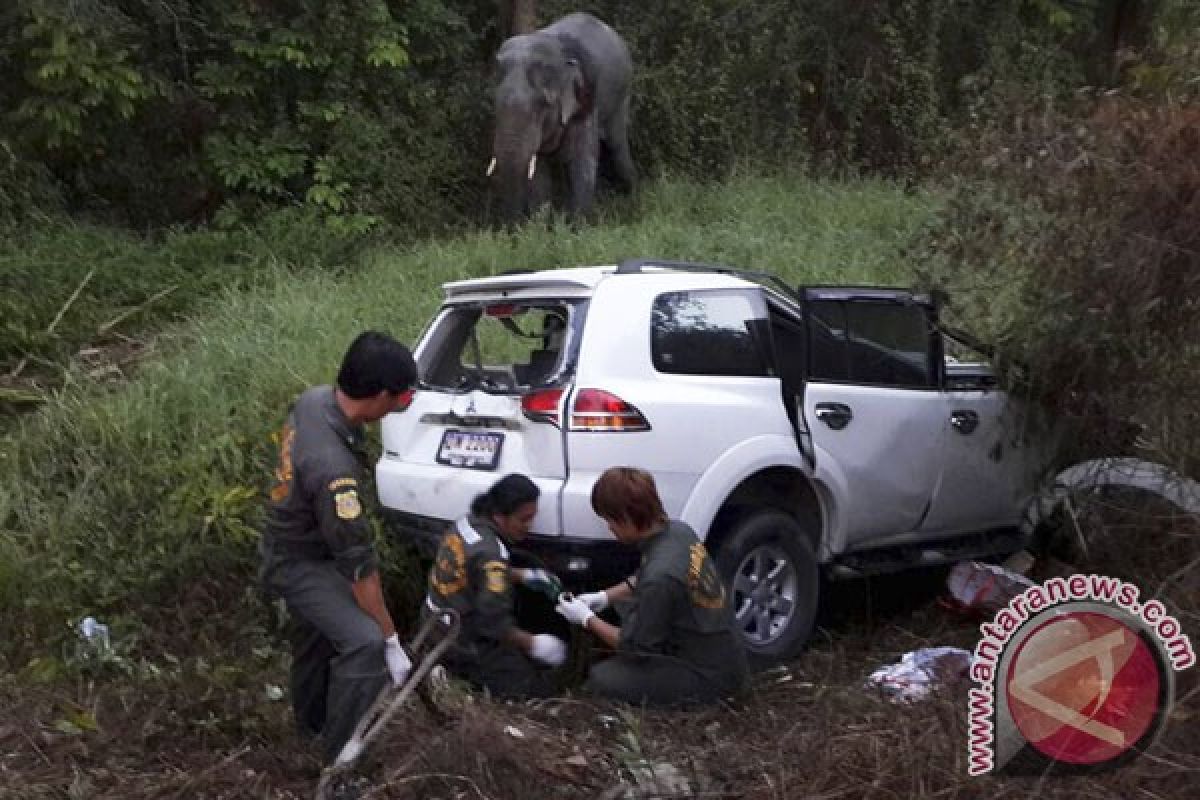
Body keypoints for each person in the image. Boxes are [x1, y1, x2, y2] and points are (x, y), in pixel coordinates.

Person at [259, 331, 417, 763]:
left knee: (316, 637)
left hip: (292, 543)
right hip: (300, 561)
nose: (401, 406)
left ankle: (309, 728)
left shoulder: (315, 401)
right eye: (401, 397)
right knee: (362, 642)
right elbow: (359, 568)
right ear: (381, 394)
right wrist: (390, 640)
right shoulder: (334, 473)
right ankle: (341, 761)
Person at [555, 466, 749, 706]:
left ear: (626, 518)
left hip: (706, 675)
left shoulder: (660, 577)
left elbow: (634, 649)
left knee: (602, 678)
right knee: (624, 609)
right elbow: (648, 575)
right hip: (724, 650)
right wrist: (605, 597)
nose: (609, 528)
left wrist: (586, 619)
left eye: (610, 520)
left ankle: (701, 699)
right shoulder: (679, 532)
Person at [424, 474, 569, 697]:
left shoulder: (466, 523)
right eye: (523, 519)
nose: (529, 526)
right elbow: (493, 624)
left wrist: (522, 576)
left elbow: (472, 570)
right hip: (461, 639)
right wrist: (534, 644)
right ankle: (455, 673)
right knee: (534, 689)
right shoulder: (493, 555)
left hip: (432, 622)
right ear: (500, 517)